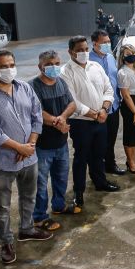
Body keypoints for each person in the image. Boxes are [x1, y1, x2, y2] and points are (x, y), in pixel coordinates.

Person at [0, 49, 52, 266]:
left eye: (11, 65)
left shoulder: (24, 87)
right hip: (1, 162)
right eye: (3, 66)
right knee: (2, 206)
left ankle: (26, 228)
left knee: (29, 197)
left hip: (29, 157)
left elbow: (37, 116)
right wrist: (20, 147)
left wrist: (31, 145)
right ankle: (6, 242)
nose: (9, 70)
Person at [61, 35, 120, 207]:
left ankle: (100, 182)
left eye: (86, 49)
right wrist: (95, 114)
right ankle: (78, 192)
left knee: (99, 154)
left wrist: (104, 109)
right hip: (81, 123)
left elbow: (109, 88)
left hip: (101, 119)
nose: (84, 53)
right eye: (79, 50)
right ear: (70, 52)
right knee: (81, 157)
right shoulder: (66, 72)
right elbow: (72, 101)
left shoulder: (95, 66)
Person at [30, 50, 80, 231]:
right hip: (43, 145)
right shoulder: (33, 86)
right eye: (49, 64)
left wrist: (62, 118)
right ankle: (39, 217)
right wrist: (57, 122)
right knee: (41, 183)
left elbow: (72, 104)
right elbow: (35, 111)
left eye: (57, 63)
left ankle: (59, 205)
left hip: (61, 142)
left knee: (61, 177)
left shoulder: (61, 82)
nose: (54, 67)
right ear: (40, 67)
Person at [89, 30, 126, 176]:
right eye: (104, 42)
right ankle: (98, 170)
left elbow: (114, 80)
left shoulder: (111, 57)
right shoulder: (89, 61)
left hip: (114, 107)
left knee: (111, 140)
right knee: (98, 143)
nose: (107, 44)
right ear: (95, 43)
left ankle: (110, 164)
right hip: (98, 109)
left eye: (108, 42)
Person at [117, 44, 135, 174]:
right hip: (130, 104)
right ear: (123, 57)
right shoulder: (123, 72)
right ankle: (130, 162)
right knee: (130, 135)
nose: (132, 56)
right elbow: (125, 95)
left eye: (133, 53)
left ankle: (133, 160)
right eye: (128, 54)